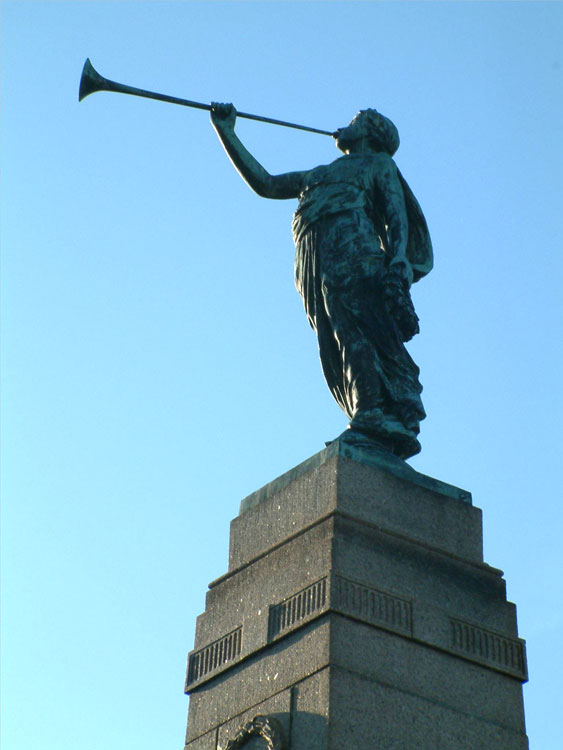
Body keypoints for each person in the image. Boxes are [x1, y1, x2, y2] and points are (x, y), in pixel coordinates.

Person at [210, 104, 433, 459]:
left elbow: (396, 217)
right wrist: (227, 132)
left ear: (371, 134)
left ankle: (372, 410)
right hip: (314, 257)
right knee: (332, 338)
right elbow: (266, 184)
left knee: (354, 328)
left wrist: (400, 256)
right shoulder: (317, 174)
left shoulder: (378, 165)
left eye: (354, 122)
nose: (343, 126)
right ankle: (368, 409)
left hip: (353, 246)